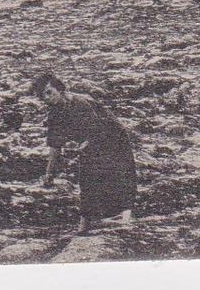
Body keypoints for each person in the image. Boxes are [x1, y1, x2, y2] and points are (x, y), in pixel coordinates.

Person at [32, 71, 137, 232]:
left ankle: (125, 218)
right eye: (42, 96)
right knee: (86, 180)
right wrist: (49, 174)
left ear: (60, 90)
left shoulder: (81, 103)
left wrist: (84, 146)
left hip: (113, 138)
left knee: (118, 174)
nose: (46, 98)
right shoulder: (54, 114)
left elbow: (97, 130)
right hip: (89, 142)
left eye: (49, 93)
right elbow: (54, 146)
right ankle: (84, 226)